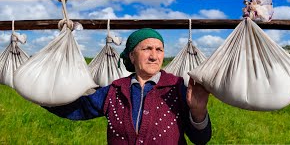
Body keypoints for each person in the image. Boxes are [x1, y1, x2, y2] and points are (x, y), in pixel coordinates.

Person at [45, 28, 212, 144]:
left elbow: (201, 139)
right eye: (147, 48)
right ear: (132, 56)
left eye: (159, 50)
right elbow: (78, 108)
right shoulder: (114, 91)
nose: (154, 56)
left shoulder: (176, 88)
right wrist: (41, 94)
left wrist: (198, 112)